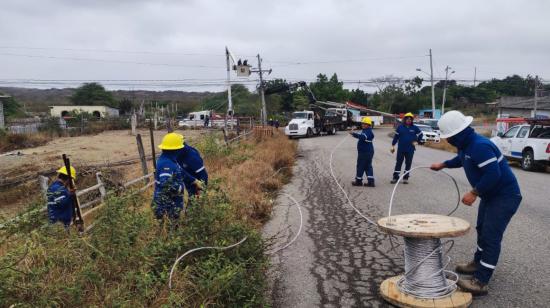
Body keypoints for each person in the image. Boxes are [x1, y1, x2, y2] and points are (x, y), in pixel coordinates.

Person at [430, 110, 522, 296]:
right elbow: (462, 159)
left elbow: (493, 174)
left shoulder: (480, 145)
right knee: (482, 229)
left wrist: (474, 192)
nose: (448, 140)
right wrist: (444, 164)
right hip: (491, 195)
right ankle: (477, 263)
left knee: (491, 236)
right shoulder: (466, 145)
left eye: (449, 137)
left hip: (505, 196)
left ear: (459, 133)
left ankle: (481, 281)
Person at [152, 133, 185, 221]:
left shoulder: (168, 160)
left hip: (169, 205)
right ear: (175, 150)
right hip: (167, 207)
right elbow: (166, 184)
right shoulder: (167, 164)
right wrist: (180, 188)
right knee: (170, 231)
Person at [390, 112, 423, 184]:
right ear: (404, 119)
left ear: (412, 120)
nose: (408, 120)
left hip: (410, 149)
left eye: (410, 119)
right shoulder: (400, 127)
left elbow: (421, 134)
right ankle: (395, 178)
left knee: (408, 163)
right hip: (401, 149)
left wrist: (417, 141)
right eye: (407, 119)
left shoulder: (415, 128)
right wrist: (392, 145)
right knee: (398, 163)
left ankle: (405, 178)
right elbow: (396, 137)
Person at [176, 136, 208, 202]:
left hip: (196, 184)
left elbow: (204, 175)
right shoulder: (176, 154)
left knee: (195, 204)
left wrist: (201, 192)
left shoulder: (192, 156)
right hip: (188, 181)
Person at [47, 166, 77, 230]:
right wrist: (70, 195)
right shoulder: (57, 188)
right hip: (59, 224)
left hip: (61, 223)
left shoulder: (59, 188)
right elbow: (62, 203)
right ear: (69, 179)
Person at [350, 117, 375, 187]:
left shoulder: (368, 131)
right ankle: (371, 182)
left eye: (365, 124)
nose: (363, 125)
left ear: (368, 125)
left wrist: (353, 134)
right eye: (362, 123)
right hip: (366, 152)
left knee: (360, 166)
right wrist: (353, 134)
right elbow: (362, 137)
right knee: (367, 166)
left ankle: (358, 181)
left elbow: (363, 137)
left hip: (365, 152)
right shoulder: (366, 130)